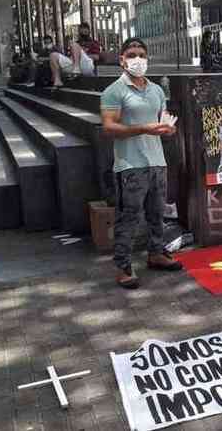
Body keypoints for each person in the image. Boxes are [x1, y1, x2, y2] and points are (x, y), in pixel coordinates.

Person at [100, 37, 182, 289]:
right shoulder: (114, 91)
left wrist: (167, 130)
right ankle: (123, 266)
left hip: (157, 162)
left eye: (142, 55)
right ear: (122, 59)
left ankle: (157, 253)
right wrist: (143, 128)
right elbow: (109, 127)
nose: (138, 59)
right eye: (132, 54)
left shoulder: (156, 90)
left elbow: (162, 123)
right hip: (130, 165)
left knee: (157, 215)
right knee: (129, 217)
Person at [50, 22, 101, 87]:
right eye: (82, 29)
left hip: (86, 65)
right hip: (73, 65)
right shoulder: (76, 43)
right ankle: (57, 80)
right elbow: (69, 56)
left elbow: (96, 57)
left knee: (74, 45)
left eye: (85, 29)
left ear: (89, 30)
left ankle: (77, 69)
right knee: (53, 55)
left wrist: (80, 53)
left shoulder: (94, 43)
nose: (83, 31)